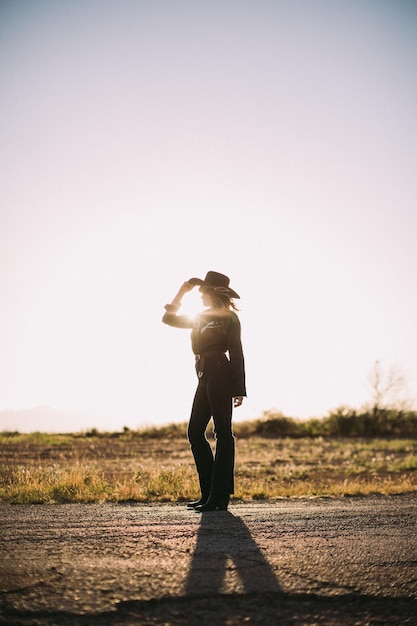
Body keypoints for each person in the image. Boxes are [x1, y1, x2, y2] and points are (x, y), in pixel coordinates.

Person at [162, 271, 246, 512]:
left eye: (202, 292)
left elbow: (237, 351)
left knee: (222, 432)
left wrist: (238, 387)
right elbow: (168, 319)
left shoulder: (228, 318)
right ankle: (209, 493)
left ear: (213, 293)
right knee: (195, 432)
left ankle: (219, 496)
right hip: (203, 374)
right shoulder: (198, 317)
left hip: (220, 372)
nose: (199, 296)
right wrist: (181, 292)